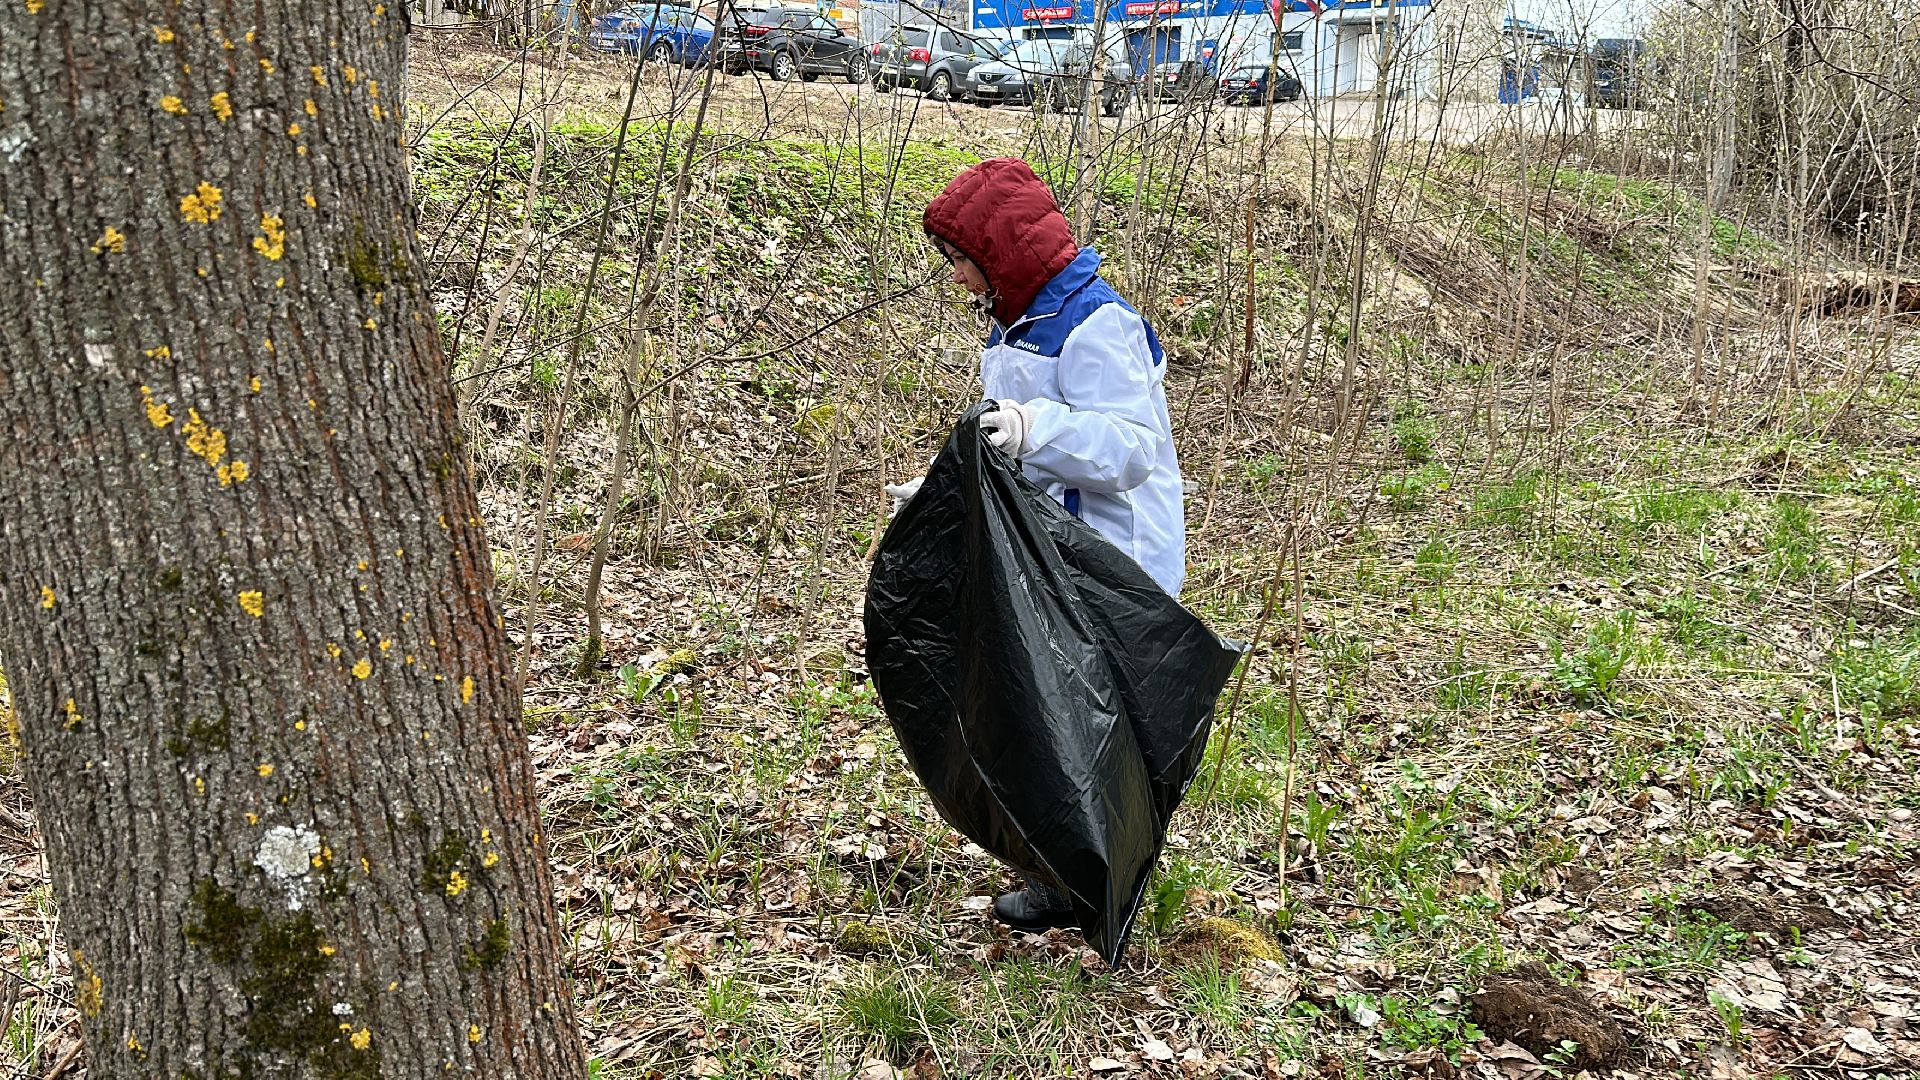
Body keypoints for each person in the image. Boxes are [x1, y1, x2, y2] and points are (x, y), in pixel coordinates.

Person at [884, 156, 1187, 933]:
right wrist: (941, 492)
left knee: (1100, 725)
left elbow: (1130, 450)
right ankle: (1059, 874)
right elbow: (1000, 439)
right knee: (1046, 714)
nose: (955, 279)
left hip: (1119, 559)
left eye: (960, 260)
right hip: (1054, 552)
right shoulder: (1019, 321)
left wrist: (1032, 430)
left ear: (1000, 252)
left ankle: (1105, 884)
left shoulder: (1095, 323)